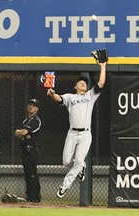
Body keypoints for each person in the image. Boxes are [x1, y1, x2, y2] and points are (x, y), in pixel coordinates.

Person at [47, 62, 107, 198]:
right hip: (72, 133)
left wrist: (103, 67)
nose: (83, 83)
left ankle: (65, 186)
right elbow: (59, 99)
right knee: (66, 161)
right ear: (75, 86)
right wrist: (52, 94)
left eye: (85, 82)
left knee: (79, 160)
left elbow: (101, 83)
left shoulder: (90, 96)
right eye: (80, 82)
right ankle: (81, 167)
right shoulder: (70, 97)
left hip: (86, 134)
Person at [14, 99, 42, 202]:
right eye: (30, 104)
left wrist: (23, 133)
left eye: (33, 105)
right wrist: (23, 133)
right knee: (27, 174)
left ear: (36, 109)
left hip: (32, 150)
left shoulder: (36, 121)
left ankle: (35, 197)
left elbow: (24, 132)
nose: (31, 107)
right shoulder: (25, 121)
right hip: (24, 150)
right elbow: (17, 133)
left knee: (32, 173)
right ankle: (29, 196)